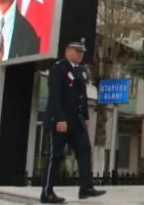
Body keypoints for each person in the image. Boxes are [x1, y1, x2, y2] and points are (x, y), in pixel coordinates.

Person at [40, 40, 105, 204]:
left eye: (82, 52)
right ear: (68, 51)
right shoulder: (58, 68)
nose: (80, 55)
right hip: (60, 120)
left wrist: (86, 116)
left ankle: (86, 188)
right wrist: (60, 119)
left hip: (76, 121)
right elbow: (54, 97)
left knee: (85, 151)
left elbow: (82, 96)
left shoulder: (80, 71)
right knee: (55, 156)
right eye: (77, 51)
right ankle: (47, 192)